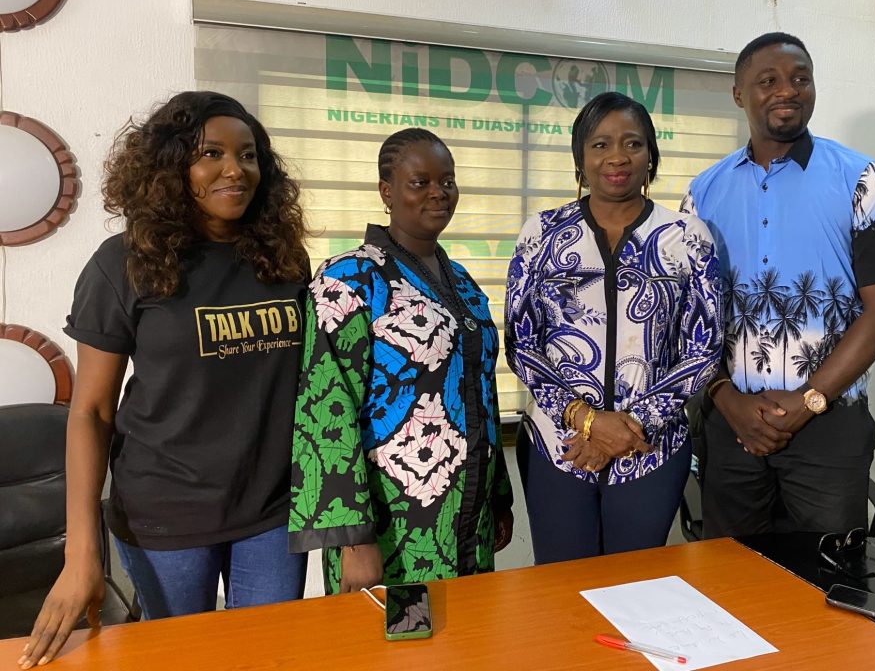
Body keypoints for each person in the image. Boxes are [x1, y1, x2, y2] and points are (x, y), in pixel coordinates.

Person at [20, 92, 311, 669]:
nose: (236, 169)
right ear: (172, 166)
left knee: (271, 658)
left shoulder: (283, 259)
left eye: (249, 155)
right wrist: (83, 554)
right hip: (166, 516)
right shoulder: (124, 262)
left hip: (273, 510)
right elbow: (92, 413)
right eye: (211, 153)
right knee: (182, 660)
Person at [682, 32, 875, 537]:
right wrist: (728, 401)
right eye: (768, 80)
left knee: (828, 584)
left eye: (800, 79)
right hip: (731, 425)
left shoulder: (862, 180)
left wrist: (809, 399)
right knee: (730, 583)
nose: (787, 90)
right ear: (739, 93)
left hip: (830, 425)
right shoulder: (701, 194)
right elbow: (689, 320)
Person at [289, 127, 513, 593]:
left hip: (468, 518)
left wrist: (499, 497)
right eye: (420, 182)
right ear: (386, 192)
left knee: (466, 648)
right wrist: (355, 541)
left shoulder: (463, 283)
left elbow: (482, 393)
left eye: (447, 181)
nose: (439, 193)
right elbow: (325, 411)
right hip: (391, 526)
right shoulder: (347, 280)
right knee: (400, 652)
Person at [505, 92, 723, 564]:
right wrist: (586, 420)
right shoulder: (540, 234)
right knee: (563, 592)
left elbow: (704, 349)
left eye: (633, 144)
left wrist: (633, 425)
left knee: (637, 589)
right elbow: (521, 343)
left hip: (650, 447)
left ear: (651, 157)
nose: (618, 157)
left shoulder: (687, 237)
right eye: (600, 144)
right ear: (580, 158)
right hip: (558, 446)